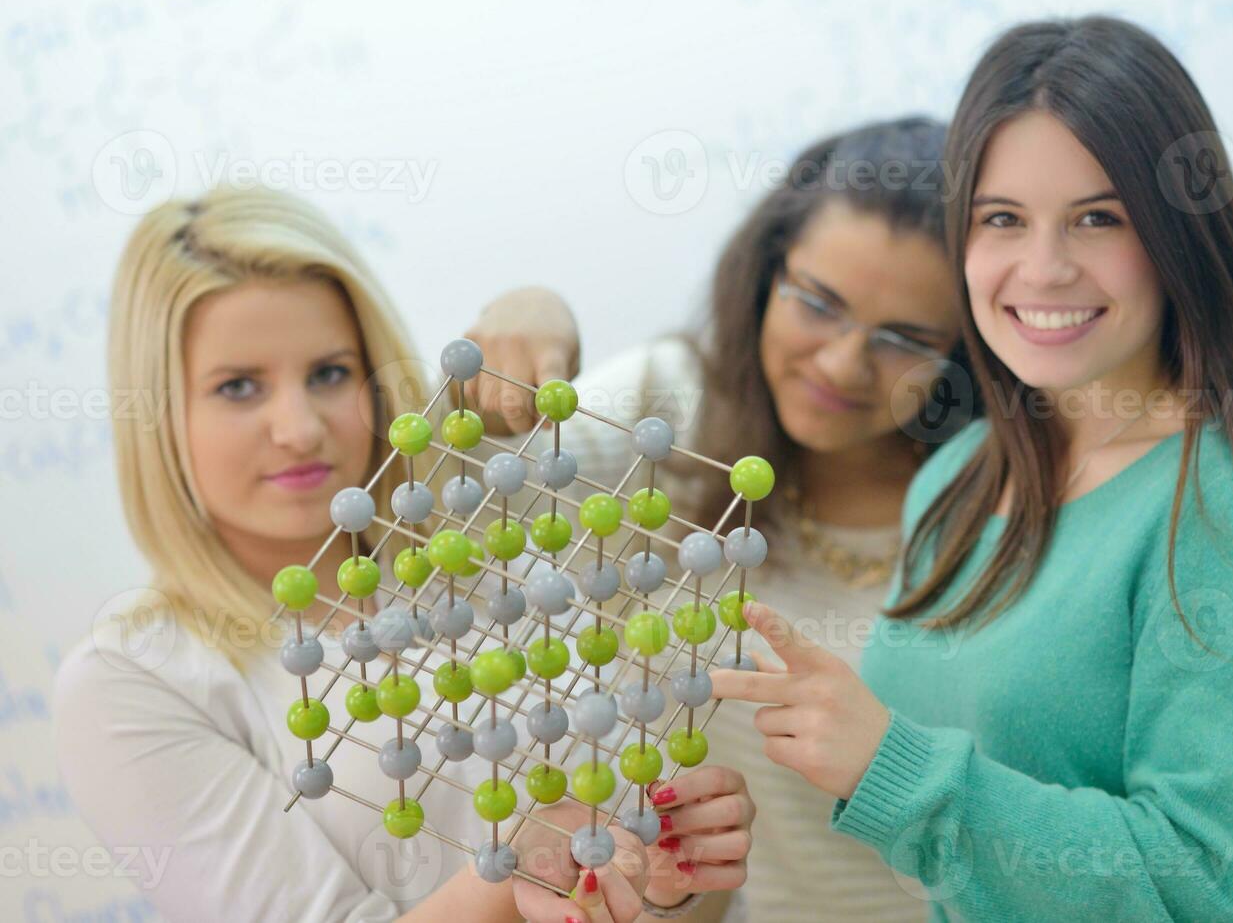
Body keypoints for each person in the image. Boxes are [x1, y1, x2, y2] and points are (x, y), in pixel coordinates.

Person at [714, 15, 1233, 921]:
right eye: (1002, 219)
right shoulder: (954, 482)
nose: (1043, 268)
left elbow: (1203, 885)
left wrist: (895, 770)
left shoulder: (1229, 508)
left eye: (1098, 219)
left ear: (1178, 235)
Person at [52, 186, 751, 923]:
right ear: (158, 415)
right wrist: (515, 874)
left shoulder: (478, 536)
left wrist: (680, 886)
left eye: (328, 373)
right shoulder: (134, 675)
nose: (298, 428)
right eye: (237, 387)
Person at [462, 117, 971, 921]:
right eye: (817, 303)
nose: (841, 363)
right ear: (766, 274)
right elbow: (460, 492)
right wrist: (527, 313)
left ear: (962, 356)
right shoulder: (672, 420)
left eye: (903, 339)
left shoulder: (996, 514)